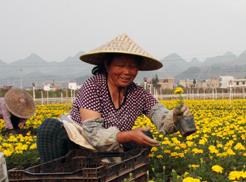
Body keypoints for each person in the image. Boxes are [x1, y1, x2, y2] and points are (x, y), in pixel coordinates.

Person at [36, 33, 190, 163]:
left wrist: (175, 117)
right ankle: (55, 181)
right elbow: (93, 134)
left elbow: (161, 117)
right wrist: (128, 135)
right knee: (49, 128)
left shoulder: (138, 93)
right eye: (120, 65)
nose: (127, 72)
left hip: (112, 146)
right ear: (107, 65)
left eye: (132, 66)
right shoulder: (93, 85)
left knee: (145, 136)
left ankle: (123, 178)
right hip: (79, 142)